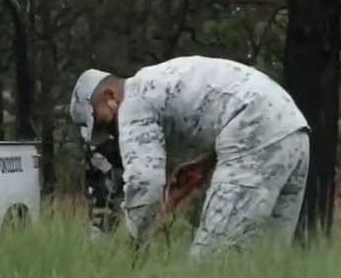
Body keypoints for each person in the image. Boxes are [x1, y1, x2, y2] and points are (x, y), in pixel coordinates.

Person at [69, 55, 310, 258]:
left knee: (210, 265)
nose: (110, 132)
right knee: (267, 261)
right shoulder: (157, 80)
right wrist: (206, 165)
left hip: (256, 129)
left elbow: (145, 184)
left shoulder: (133, 100)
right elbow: (230, 104)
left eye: (102, 123)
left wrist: (133, 245)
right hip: (293, 130)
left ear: (111, 97)